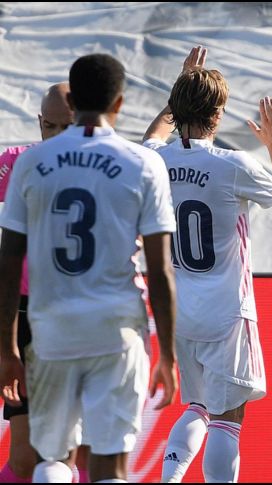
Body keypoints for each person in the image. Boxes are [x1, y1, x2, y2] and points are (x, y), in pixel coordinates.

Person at [0, 53, 178, 483]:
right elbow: (160, 270)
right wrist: (168, 355)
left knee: (51, 459)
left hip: (50, 327)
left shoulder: (30, 163)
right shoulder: (143, 163)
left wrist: (6, 348)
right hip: (115, 327)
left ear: (73, 99)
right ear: (119, 103)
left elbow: (7, 262)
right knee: (108, 461)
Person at [143, 46, 272, 483]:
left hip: (179, 310)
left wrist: (177, 96)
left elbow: (152, 136)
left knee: (197, 407)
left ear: (177, 107)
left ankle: (170, 478)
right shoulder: (232, 165)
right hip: (226, 311)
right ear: (218, 114)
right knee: (228, 417)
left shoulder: (156, 159)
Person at [0, 83, 92, 484]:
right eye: (49, 126)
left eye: (66, 127)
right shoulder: (15, 163)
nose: (56, 136)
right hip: (25, 317)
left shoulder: (107, 166)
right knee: (24, 460)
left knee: (66, 457)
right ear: (39, 123)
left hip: (79, 317)